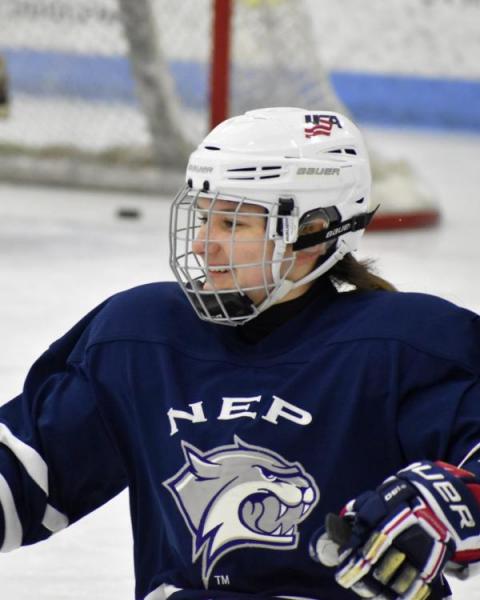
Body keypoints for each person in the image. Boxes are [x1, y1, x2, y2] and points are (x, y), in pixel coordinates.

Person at [1, 107, 480, 600]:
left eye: (232, 223)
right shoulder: (139, 338)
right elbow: (23, 476)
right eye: (204, 216)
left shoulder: (405, 346)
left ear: (313, 231)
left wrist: (449, 501)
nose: (205, 245)